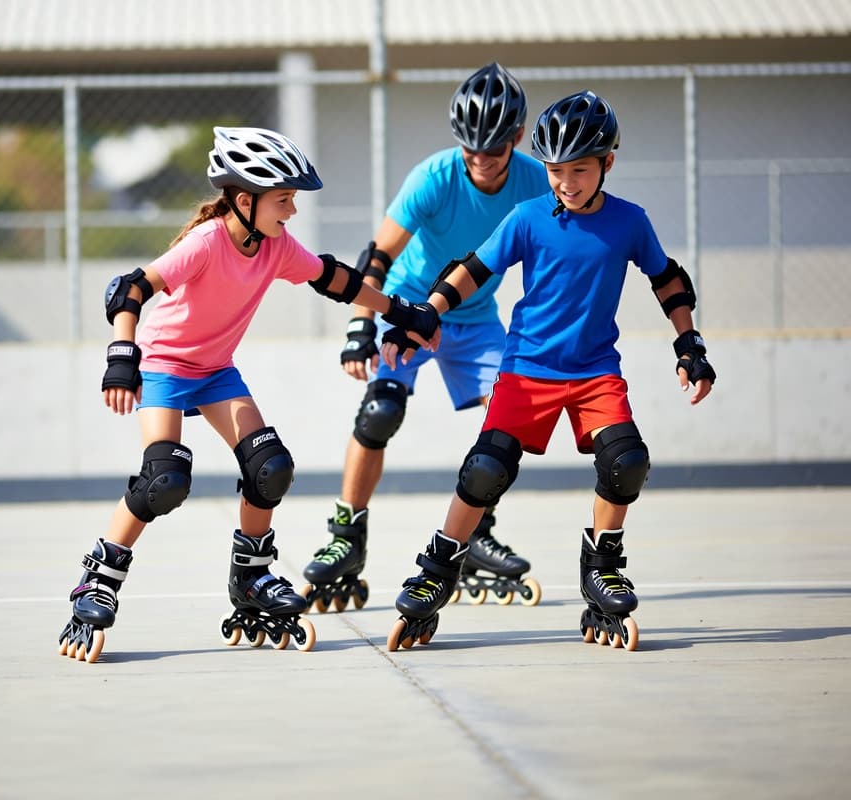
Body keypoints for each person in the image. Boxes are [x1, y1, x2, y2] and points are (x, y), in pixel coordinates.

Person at [57, 126, 439, 662]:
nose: (293, 211)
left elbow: (336, 280)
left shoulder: (275, 246)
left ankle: (252, 576)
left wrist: (401, 312)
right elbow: (128, 289)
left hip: (215, 371)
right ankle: (98, 580)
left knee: (270, 468)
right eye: (284, 200)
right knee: (164, 478)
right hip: (165, 366)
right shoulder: (206, 242)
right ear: (245, 200)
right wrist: (122, 357)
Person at [382, 89, 717, 653]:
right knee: (485, 470)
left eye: (579, 170)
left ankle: (602, 566)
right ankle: (437, 569)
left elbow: (667, 279)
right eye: (556, 170)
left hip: (594, 372)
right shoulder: (528, 217)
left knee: (626, 462)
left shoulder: (629, 222)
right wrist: (427, 312)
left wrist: (689, 342)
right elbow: (471, 268)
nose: (565, 182)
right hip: (527, 368)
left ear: (608, 163)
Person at [301, 63, 550, 613]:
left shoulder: (537, 182)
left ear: (516, 137)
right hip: (409, 310)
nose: (480, 160)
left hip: (476, 316)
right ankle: (346, 535)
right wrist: (361, 325)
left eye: (492, 149)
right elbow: (378, 255)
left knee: (507, 421)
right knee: (380, 413)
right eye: (470, 148)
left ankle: (475, 532)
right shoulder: (434, 177)